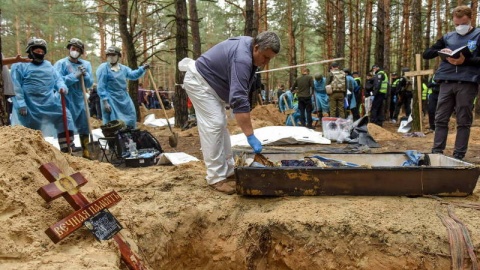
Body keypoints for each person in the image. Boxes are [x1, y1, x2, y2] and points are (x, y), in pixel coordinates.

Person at [180, 31, 281, 194]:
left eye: (270, 59)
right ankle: (215, 177)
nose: (266, 63)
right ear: (256, 48)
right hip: (199, 82)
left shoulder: (250, 49)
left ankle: (227, 170)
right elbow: (239, 99)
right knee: (214, 125)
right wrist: (250, 135)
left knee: (221, 125)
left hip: (211, 85)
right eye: (265, 57)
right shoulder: (242, 59)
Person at [423, 5, 480, 160]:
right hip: (446, 81)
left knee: (463, 120)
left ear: (470, 20)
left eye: (462, 24)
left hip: (467, 82)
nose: (459, 27)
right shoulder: (448, 37)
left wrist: (466, 60)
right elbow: (427, 54)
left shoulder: (478, 35)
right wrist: (443, 52)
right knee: (440, 118)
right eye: (456, 24)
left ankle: (458, 155)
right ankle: (437, 152)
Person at [10, 37, 75, 152]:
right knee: (32, 131)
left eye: (42, 51)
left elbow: (58, 80)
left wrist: (62, 87)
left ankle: (67, 148)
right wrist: (21, 103)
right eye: (37, 51)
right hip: (29, 105)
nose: (40, 53)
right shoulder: (19, 65)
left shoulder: (49, 66)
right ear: (30, 51)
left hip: (49, 102)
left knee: (65, 117)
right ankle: (33, 154)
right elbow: (16, 86)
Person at [54, 38, 94, 158]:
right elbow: (57, 81)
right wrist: (74, 75)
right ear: (69, 49)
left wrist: (85, 75)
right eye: (73, 48)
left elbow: (89, 83)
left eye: (77, 50)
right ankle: (67, 150)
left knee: (84, 124)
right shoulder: (60, 64)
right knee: (66, 123)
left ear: (81, 52)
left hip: (80, 98)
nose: (74, 51)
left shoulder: (86, 64)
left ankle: (86, 150)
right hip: (64, 98)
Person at [96, 46, 149, 129]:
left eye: (113, 55)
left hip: (124, 97)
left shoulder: (123, 69)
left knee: (131, 116)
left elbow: (132, 75)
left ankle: (128, 138)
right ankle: (115, 141)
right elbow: (101, 86)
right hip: (110, 98)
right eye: (109, 55)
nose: (111, 57)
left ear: (118, 56)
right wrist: (105, 101)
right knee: (113, 122)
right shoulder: (103, 68)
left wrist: (142, 69)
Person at [2, 54, 32, 125]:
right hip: (4, 93)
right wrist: (15, 60)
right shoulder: (18, 66)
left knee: (4, 120)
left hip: (4, 94)